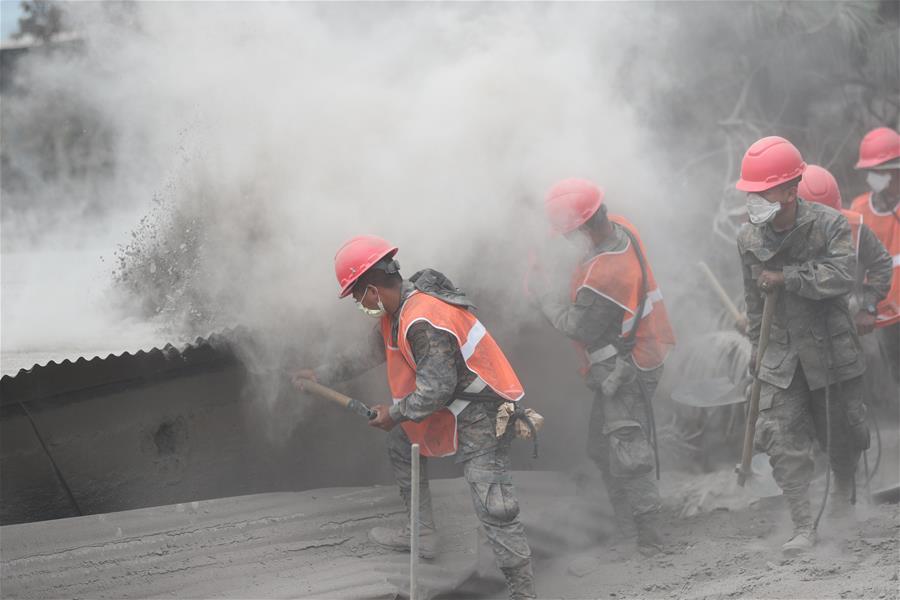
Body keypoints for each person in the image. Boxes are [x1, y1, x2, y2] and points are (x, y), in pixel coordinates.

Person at [292, 235, 535, 599]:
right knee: (401, 442)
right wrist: (321, 374)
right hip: (454, 406)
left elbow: (436, 389)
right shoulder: (396, 311)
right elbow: (368, 353)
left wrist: (395, 412)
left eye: (358, 298)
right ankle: (422, 534)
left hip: (483, 412)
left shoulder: (423, 319)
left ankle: (523, 590)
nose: (359, 305)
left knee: (492, 502)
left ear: (372, 291)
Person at [735, 136, 868, 555]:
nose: (754, 199)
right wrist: (757, 345)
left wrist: (789, 277)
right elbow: (753, 299)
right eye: (750, 192)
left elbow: (842, 275)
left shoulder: (829, 224)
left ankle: (845, 500)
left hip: (828, 346)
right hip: (781, 354)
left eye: (763, 191)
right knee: (780, 437)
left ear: (791, 191)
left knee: (841, 434)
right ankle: (803, 525)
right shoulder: (748, 238)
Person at [531, 178, 676, 557]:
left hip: (626, 367)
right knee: (601, 447)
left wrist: (544, 297)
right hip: (643, 348)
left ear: (583, 227)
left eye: (567, 234)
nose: (564, 241)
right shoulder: (623, 227)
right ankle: (628, 528)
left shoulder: (606, 272)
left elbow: (577, 326)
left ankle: (648, 540)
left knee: (629, 449)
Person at [797, 164, 892, 335]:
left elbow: (881, 263)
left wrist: (869, 307)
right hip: (807, 334)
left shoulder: (855, 228)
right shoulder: (783, 237)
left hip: (855, 326)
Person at [849, 127, 900, 382]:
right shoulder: (859, 209)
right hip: (874, 315)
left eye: (880, 170)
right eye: (872, 171)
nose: (874, 177)